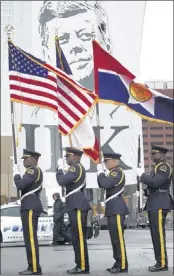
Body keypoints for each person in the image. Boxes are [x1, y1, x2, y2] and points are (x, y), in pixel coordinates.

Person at [137, 145, 173, 273]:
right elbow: (153, 186)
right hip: (155, 201)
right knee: (155, 235)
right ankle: (160, 261)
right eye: (151, 154)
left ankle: (162, 263)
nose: (151, 156)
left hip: (159, 202)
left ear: (162, 155)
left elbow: (156, 182)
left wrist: (142, 175)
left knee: (158, 234)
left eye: (154, 154)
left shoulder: (164, 167)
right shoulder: (156, 168)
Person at [56, 147, 90, 274]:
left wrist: (59, 170)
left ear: (75, 157)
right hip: (75, 204)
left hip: (77, 205)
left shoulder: (75, 167)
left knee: (79, 237)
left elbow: (61, 181)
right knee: (76, 237)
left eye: (68, 156)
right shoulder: (76, 168)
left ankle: (82, 265)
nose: (66, 159)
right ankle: (80, 264)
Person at [97, 152, 129, 274]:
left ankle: (122, 264)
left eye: (107, 161)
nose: (105, 163)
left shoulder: (117, 171)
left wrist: (100, 173)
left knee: (118, 238)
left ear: (115, 161)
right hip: (113, 208)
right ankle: (118, 261)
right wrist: (101, 174)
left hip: (116, 208)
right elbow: (102, 184)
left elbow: (105, 183)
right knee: (114, 238)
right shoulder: (112, 172)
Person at [13, 149, 43, 275]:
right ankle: (32, 266)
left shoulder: (33, 170)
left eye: (26, 158)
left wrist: (16, 174)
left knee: (31, 238)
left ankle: (35, 268)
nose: (24, 161)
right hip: (28, 205)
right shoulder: (31, 170)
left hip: (30, 207)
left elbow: (20, 185)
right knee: (29, 238)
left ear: (33, 159)